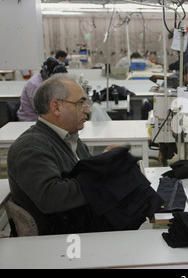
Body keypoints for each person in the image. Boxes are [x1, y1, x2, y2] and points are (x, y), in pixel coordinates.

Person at [7, 76, 123, 235]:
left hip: (79, 225)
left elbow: (84, 173)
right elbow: (51, 197)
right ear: (56, 107)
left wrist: (103, 162)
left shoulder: (68, 137)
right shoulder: (31, 147)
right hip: (61, 241)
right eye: (80, 103)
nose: (87, 110)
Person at [17, 57, 67, 121]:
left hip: (42, 118)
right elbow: (43, 110)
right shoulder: (35, 85)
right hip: (30, 121)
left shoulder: (46, 80)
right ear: (48, 73)